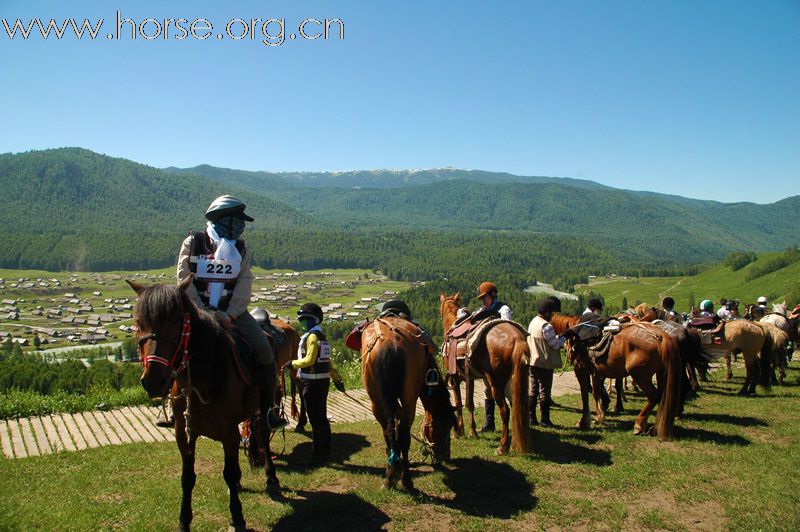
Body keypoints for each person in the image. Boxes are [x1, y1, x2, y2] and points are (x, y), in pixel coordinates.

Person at [169, 195, 288, 431]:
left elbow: (244, 283)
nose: (242, 226)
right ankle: (170, 405)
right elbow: (184, 278)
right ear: (224, 220)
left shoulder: (241, 248)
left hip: (232, 313)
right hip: (197, 313)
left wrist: (230, 314)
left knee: (264, 350)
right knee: (169, 346)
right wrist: (202, 313)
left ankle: (267, 411)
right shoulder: (193, 242)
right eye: (238, 220)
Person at [288, 303, 343, 462]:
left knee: (315, 419)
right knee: (321, 417)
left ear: (315, 320)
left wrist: (292, 364)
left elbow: (310, 359)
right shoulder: (322, 337)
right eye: (301, 319)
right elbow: (328, 362)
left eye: (306, 319)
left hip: (311, 383)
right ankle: (326, 448)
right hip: (323, 382)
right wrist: (336, 379)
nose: (303, 322)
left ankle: (318, 452)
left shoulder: (312, 337)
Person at [471, 281, 512, 432]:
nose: (483, 300)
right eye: (481, 298)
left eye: (485, 297)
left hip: (501, 355)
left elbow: (505, 326)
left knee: (507, 391)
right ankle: (490, 422)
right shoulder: (482, 309)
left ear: (493, 295)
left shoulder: (504, 309)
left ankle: (518, 420)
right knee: (488, 391)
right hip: (486, 357)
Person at [528, 299, 576, 427]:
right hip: (545, 363)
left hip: (533, 361)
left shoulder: (533, 322)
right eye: (552, 313)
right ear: (547, 312)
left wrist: (559, 335)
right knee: (544, 391)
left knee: (533, 390)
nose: (553, 315)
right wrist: (565, 336)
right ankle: (545, 420)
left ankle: (531, 417)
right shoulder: (547, 326)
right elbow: (555, 345)